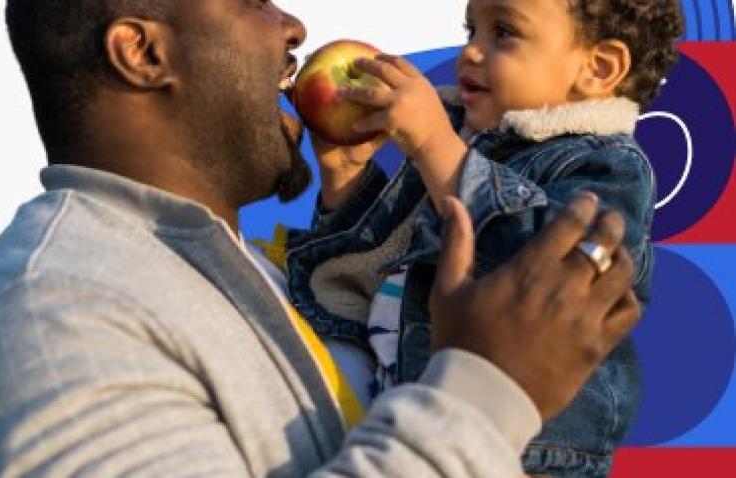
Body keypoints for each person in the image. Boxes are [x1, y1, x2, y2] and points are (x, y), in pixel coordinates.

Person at [0, 1, 640, 477]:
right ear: (141, 52)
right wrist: (487, 391)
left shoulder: (227, 276)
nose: (293, 27)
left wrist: (349, 198)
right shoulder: (50, 324)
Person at [284, 0, 683, 475]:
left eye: (504, 32)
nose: (470, 52)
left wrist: (434, 145)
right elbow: (366, 272)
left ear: (597, 68)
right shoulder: (462, 148)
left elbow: (543, 268)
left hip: (526, 452)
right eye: (470, 29)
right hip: (424, 430)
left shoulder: (607, 165)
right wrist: (344, 175)